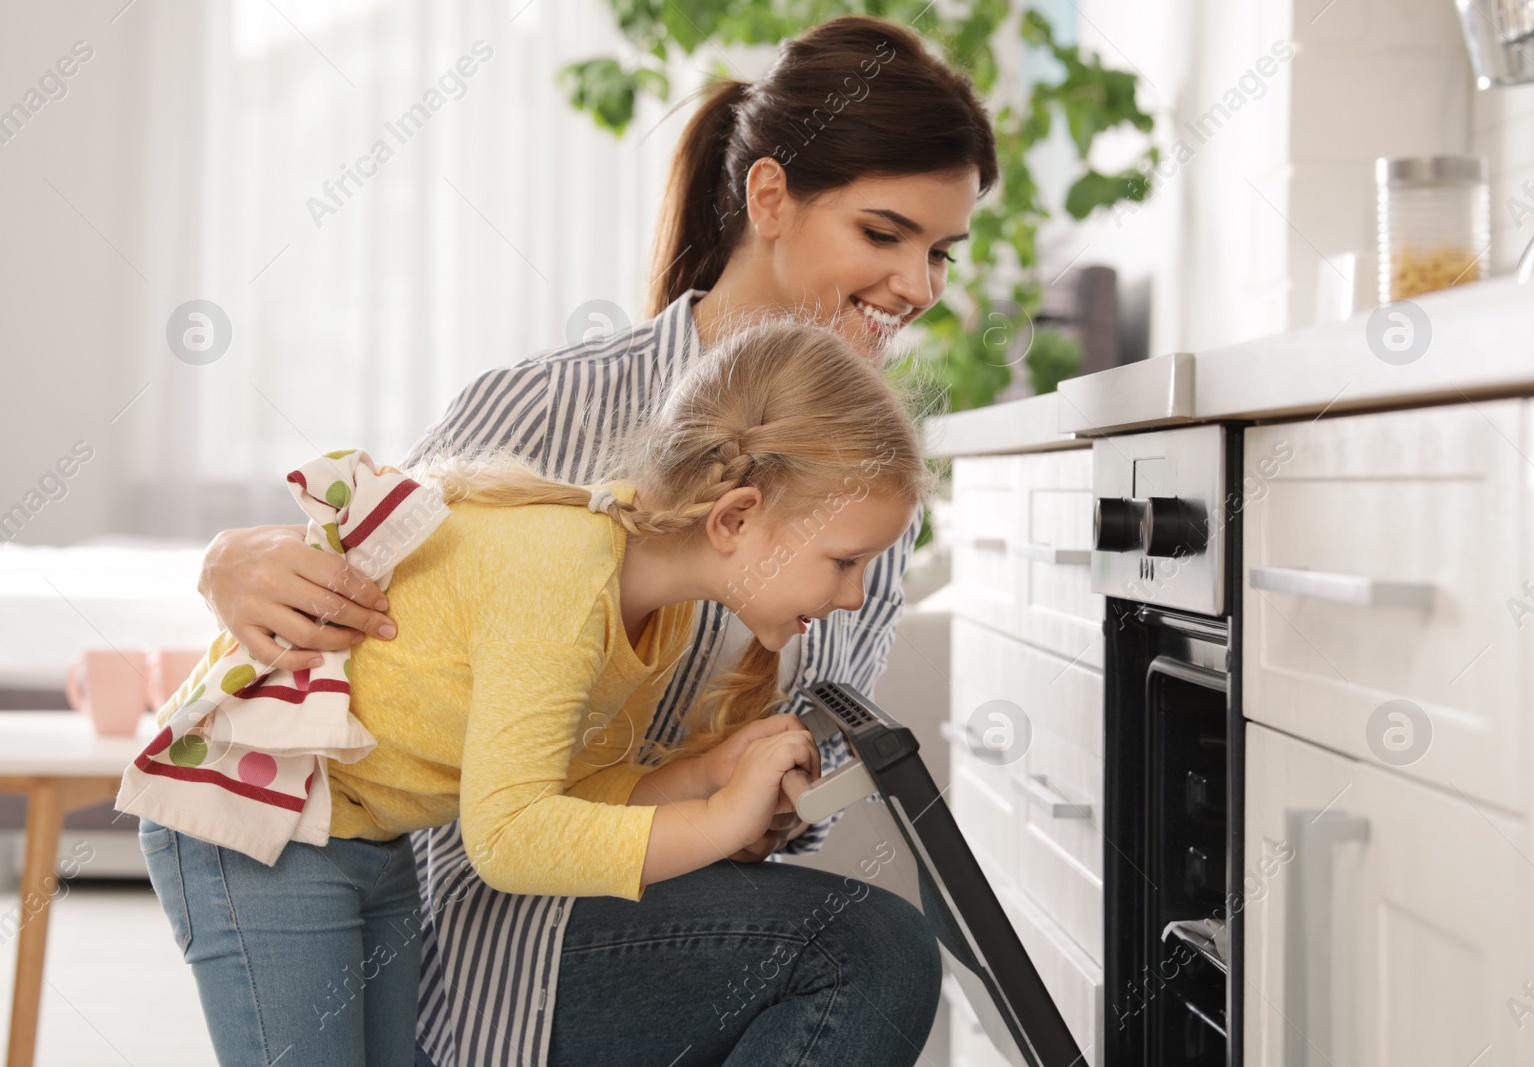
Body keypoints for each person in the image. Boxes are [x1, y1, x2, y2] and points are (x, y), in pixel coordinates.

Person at [193, 14, 998, 1067]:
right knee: (873, 948)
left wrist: (757, 791)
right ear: (769, 199)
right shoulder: (548, 402)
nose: (919, 286)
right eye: (884, 235)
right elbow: (373, 627)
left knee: (874, 947)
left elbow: (803, 750)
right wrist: (225, 562)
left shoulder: (865, 486)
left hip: (653, 882)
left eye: (940, 252)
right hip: (486, 913)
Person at [140, 318, 937, 1066]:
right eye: (844, 560)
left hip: (362, 830)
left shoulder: (648, 608)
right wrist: (718, 818)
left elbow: (573, 791)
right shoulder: (564, 572)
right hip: (262, 810)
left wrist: (703, 776)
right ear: (735, 519)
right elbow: (510, 839)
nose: (856, 596)